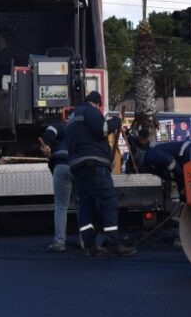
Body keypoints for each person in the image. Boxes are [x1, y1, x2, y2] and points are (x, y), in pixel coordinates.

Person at [63, 91, 136, 258]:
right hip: (93, 164)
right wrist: (116, 120)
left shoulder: (72, 117)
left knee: (86, 205)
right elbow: (103, 129)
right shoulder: (90, 111)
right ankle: (113, 243)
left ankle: (89, 245)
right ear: (97, 104)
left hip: (77, 166)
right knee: (109, 201)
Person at [40, 121, 74, 252]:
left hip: (61, 164)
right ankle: (85, 241)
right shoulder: (85, 130)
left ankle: (59, 242)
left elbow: (49, 132)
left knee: (61, 206)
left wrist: (47, 145)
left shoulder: (63, 126)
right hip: (79, 166)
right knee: (82, 205)